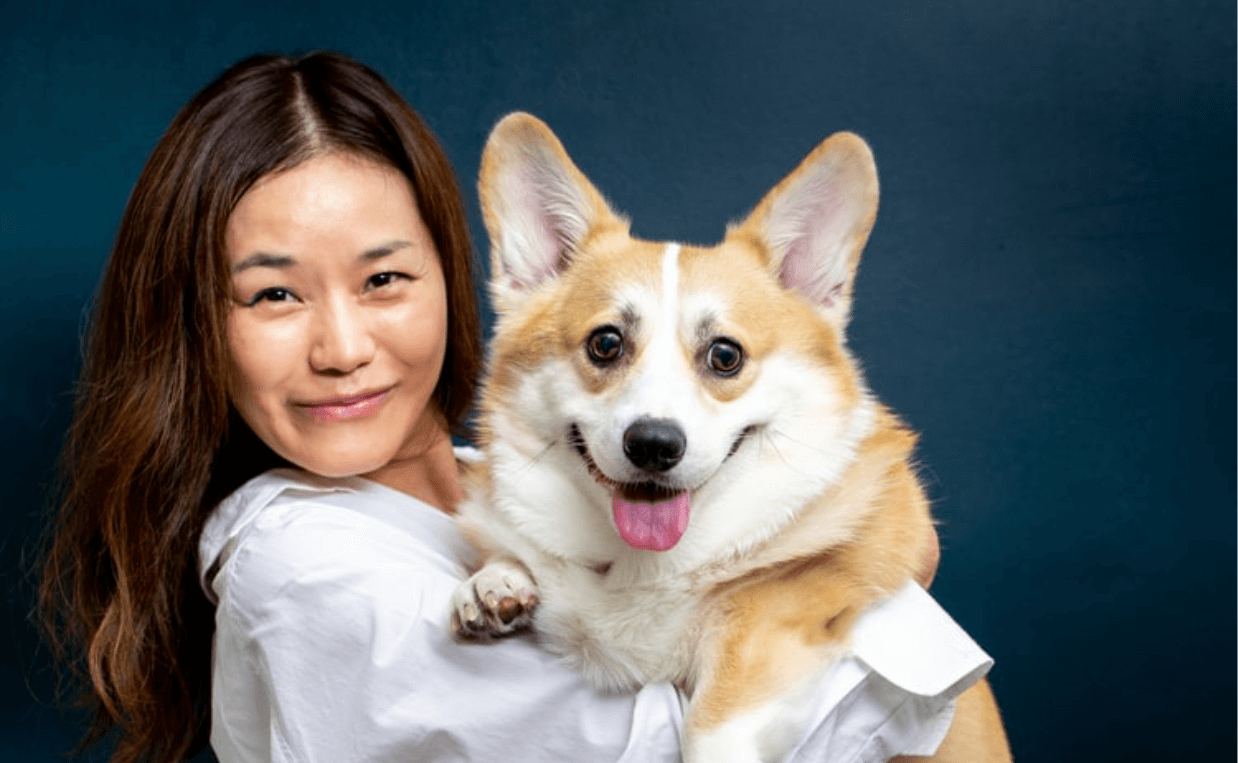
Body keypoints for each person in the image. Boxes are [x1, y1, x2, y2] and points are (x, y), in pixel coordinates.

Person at [39, 51, 988, 763]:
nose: (341, 349)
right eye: (274, 293)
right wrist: (870, 576)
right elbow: (694, 735)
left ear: (452, 274)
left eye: (383, 278)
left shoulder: (502, 488)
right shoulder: (307, 575)